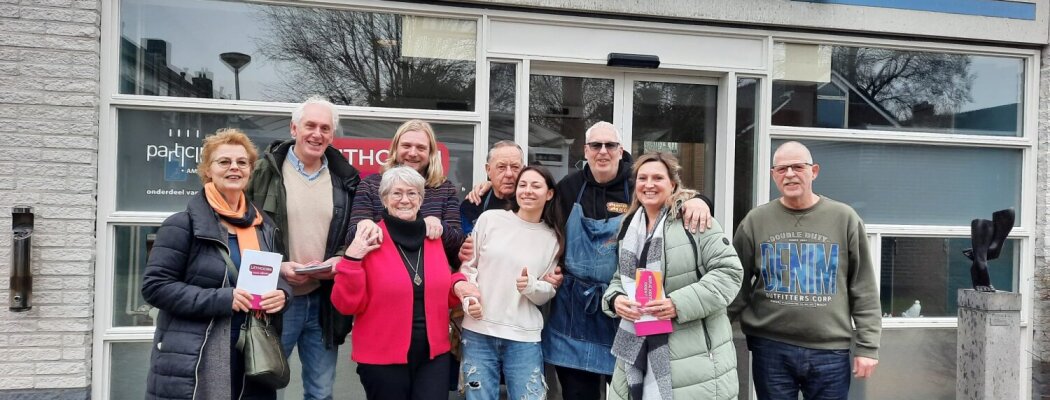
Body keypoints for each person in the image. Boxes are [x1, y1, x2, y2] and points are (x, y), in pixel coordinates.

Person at [539, 122, 713, 399]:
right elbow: (534, 211)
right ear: (586, 150)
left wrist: (699, 200)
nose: (603, 152)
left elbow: (676, 194)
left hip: (627, 307)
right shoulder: (569, 187)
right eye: (596, 145)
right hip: (573, 311)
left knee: (629, 392)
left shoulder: (640, 183)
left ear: (621, 151)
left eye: (610, 145)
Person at [142, 129, 290, 400]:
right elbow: (155, 287)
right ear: (207, 170)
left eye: (242, 162)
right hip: (198, 352)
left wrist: (282, 294)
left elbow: (277, 274)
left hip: (253, 353)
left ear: (250, 170)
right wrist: (223, 298)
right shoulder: (182, 225)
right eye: (224, 162)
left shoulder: (264, 225)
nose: (234, 167)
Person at [729, 141, 881, 400]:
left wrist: (868, 347)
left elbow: (863, 287)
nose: (789, 174)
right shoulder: (756, 221)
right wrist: (714, 330)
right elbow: (736, 284)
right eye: (782, 169)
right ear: (773, 175)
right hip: (770, 348)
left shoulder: (844, 218)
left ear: (814, 171)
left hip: (829, 351)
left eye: (798, 167)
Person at [246, 96, 360, 400]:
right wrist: (278, 268)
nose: (317, 134)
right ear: (294, 128)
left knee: (321, 391)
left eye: (325, 128)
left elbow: (350, 232)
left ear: (332, 136)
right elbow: (244, 229)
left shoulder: (345, 180)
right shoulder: (264, 171)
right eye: (310, 125)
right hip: (275, 297)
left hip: (324, 302)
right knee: (265, 387)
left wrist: (339, 261)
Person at [601, 152, 742, 399]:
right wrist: (615, 301)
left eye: (658, 177)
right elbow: (619, 280)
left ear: (673, 184)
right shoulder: (629, 227)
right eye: (642, 178)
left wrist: (677, 304)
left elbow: (729, 273)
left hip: (694, 360)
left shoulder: (694, 220)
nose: (649, 184)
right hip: (636, 354)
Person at [331, 166, 473, 400]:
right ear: (384, 199)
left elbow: (444, 289)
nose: (404, 199)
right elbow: (346, 305)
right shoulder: (369, 238)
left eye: (412, 193)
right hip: (382, 358)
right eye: (396, 193)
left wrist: (459, 282)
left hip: (433, 356)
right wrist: (352, 259)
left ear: (421, 199)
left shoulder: (433, 238)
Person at [456, 165, 563, 400]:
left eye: (536, 186)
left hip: (524, 336)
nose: (528, 191)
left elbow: (548, 290)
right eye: (522, 185)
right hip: (478, 331)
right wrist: (470, 299)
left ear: (550, 194)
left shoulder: (552, 238)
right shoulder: (489, 220)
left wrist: (530, 286)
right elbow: (468, 267)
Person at [348, 119, 465, 266]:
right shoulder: (371, 185)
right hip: (381, 273)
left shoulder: (444, 189)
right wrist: (364, 226)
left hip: (431, 275)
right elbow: (351, 239)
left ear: (430, 153)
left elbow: (457, 246)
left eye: (421, 148)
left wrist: (440, 226)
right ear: (395, 149)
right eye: (406, 146)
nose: (413, 153)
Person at [459, 140, 523, 235]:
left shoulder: (532, 205)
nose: (509, 174)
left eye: (515, 167)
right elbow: (467, 243)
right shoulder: (473, 205)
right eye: (501, 167)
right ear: (488, 170)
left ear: (524, 169)